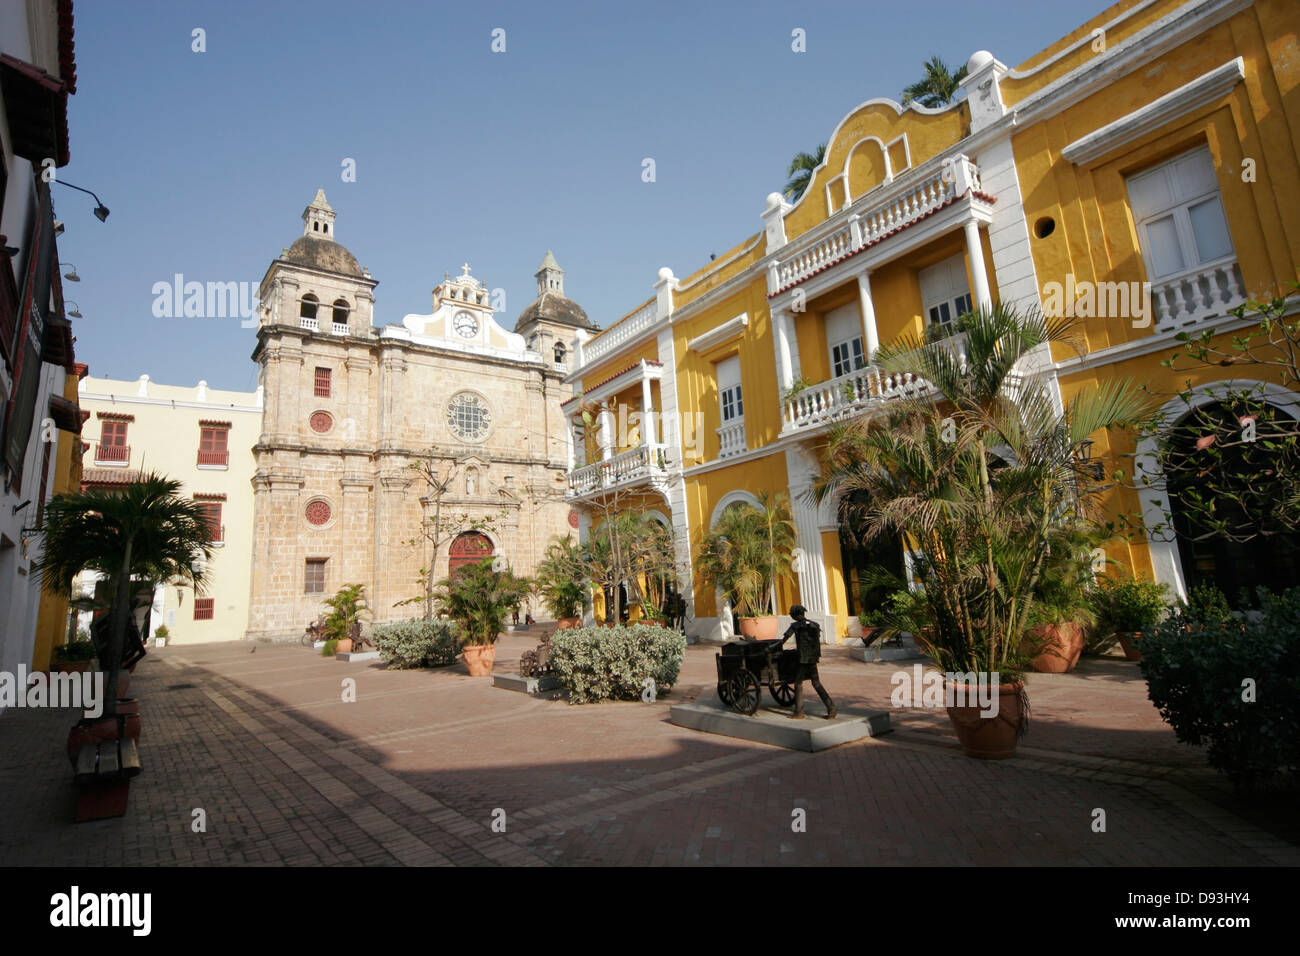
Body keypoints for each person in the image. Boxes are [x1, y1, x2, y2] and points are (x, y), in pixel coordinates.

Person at [772, 605, 837, 719]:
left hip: (803, 659)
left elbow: (783, 640)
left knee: (798, 683)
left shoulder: (795, 626)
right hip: (813, 657)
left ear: (795, 615)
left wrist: (770, 648)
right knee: (816, 682)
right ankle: (831, 707)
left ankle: (799, 712)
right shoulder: (814, 625)